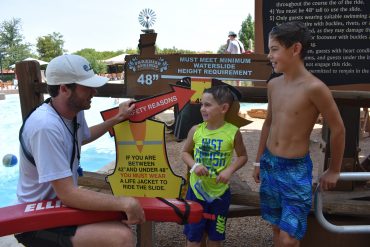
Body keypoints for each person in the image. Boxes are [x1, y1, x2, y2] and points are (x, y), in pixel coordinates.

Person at [15, 54, 145, 247]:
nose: (94, 91)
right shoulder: (45, 127)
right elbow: (68, 193)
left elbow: (81, 137)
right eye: (87, 86)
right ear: (64, 88)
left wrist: (117, 118)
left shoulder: (73, 111)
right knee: (120, 237)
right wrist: (125, 202)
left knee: (116, 221)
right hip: (35, 219)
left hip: (58, 206)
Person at [253, 21, 345, 246]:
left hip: (295, 171)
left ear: (295, 49)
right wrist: (258, 161)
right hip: (270, 164)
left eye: (274, 49)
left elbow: (338, 128)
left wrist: (334, 170)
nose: (269, 56)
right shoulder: (273, 85)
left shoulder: (315, 88)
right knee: (276, 227)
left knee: (289, 237)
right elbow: (268, 123)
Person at [182, 85, 248, 247]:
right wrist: (194, 165)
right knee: (193, 237)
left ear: (224, 108)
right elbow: (184, 153)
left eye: (208, 105)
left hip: (219, 195)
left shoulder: (233, 132)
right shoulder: (195, 130)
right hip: (196, 193)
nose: (202, 109)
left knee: (215, 237)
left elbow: (243, 156)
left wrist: (230, 170)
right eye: (201, 104)